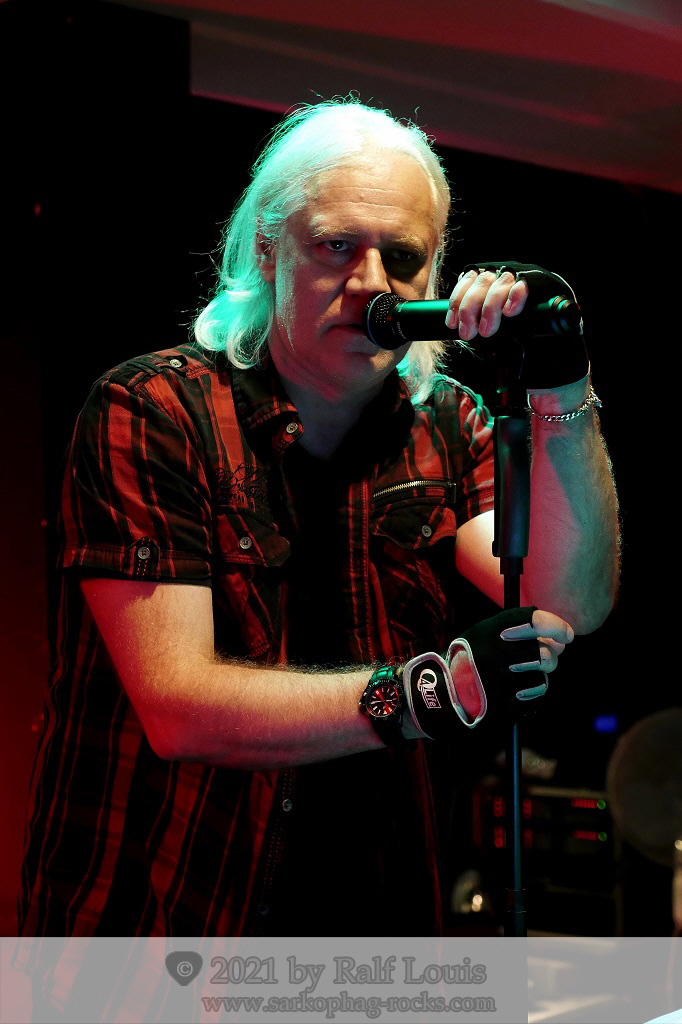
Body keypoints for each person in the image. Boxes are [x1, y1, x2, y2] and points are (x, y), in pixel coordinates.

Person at [17, 99, 619, 955]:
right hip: (160, 946)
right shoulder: (155, 410)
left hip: (375, 941)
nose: (372, 282)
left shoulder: (452, 424)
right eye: (337, 246)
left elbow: (572, 598)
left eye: (402, 257)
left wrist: (562, 385)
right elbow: (179, 709)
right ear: (267, 250)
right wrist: (421, 694)